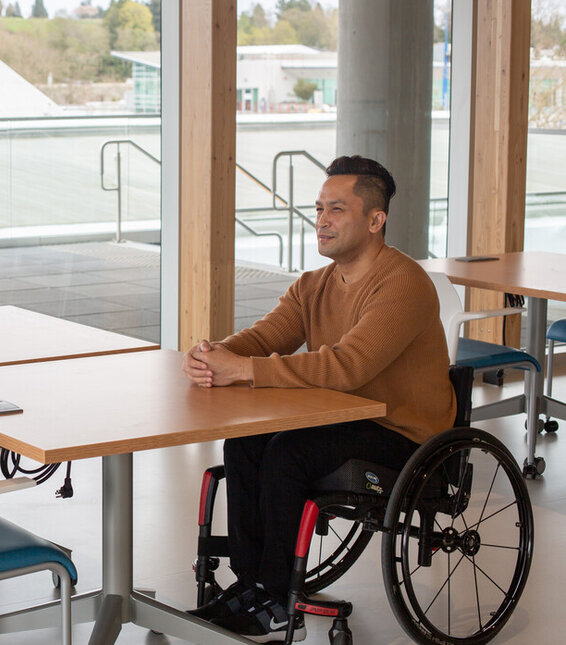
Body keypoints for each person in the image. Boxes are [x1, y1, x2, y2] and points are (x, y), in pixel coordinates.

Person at [181, 155, 456, 643]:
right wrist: (212, 353)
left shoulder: (404, 284)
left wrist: (241, 370)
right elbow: (265, 337)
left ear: (376, 220)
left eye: (336, 209)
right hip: (344, 421)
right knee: (246, 440)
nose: (321, 221)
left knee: (289, 453)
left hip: (403, 434)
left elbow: (346, 367)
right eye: (318, 209)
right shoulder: (314, 285)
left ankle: (275, 596)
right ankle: (253, 587)